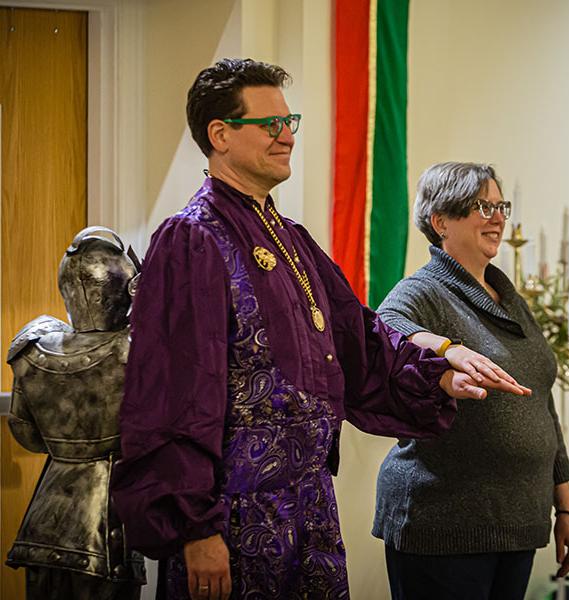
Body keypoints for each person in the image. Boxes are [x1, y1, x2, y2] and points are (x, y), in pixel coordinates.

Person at [109, 59, 524, 600]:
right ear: (220, 135)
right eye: (270, 124)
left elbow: (360, 339)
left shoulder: (290, 238)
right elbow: (173, 394)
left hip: (309, 507)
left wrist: (442, 372)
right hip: (234, 517)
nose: (286, 137)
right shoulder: (193, 240)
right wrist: (196, 527)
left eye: (290, 122)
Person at [372, 162, 569, 600]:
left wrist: (566, 505)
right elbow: (384, 328)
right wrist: (448, 348)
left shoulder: (509, 299)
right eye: (481, 206)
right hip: (444, 521)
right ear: (440, 222)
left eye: (499, 205)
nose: (498, 217)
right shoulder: (425, 290)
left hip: (517, 522)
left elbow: (541, 404)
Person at [6, 227, 145, 599]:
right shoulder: (135, 347)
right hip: (104, 524)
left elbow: (27, 435)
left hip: (43, 519)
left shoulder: (35, 344)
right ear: (126, 286)